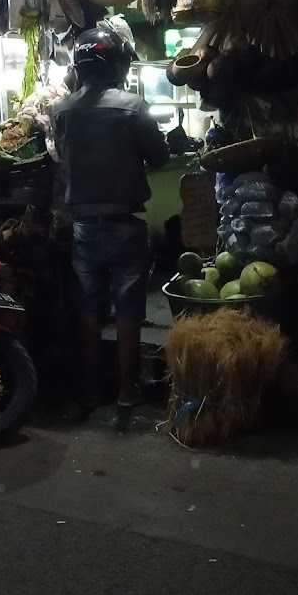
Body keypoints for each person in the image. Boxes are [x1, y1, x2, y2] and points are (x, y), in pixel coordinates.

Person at [53, 22, 169, 422]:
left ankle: (89, 391)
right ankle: (125, 391)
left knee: (88, 309)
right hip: (125, 224)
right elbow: (159, 158)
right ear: (117, 64)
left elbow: (61, 159)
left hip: (84, 226)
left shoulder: (61, 110)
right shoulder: (133, 107)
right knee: (128, 311)